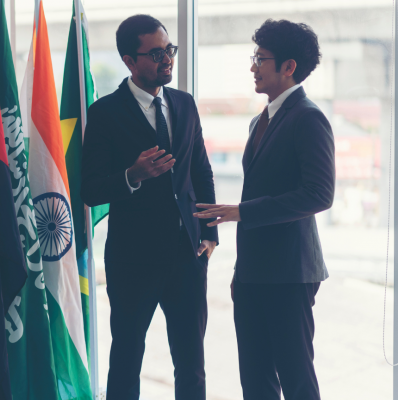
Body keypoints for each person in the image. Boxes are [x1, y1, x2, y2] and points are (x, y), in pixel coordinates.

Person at [194, 19, 334, 400]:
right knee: (255, 380)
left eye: (261, 58)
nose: (253, 66)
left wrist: (242, 211)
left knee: (296, 378)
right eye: (253, 57)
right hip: (255, 272)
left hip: (290, 273)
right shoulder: (261, 119)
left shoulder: (308, 118)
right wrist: (243, 270)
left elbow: (319, 195)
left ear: (288, 67)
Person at [81, 14, 218, 400]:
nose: (167, 59)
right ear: (129, 60)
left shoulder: (185, 104)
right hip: (132, 260)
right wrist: (132, 174)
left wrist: (209, 235)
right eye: (156, 53)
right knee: (126, 360)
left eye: (169, 49)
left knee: (191, 363)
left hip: (188, 256)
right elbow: (90, 189)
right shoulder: (105, 113)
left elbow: (201, 174)